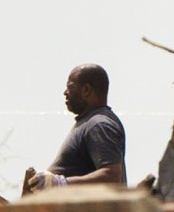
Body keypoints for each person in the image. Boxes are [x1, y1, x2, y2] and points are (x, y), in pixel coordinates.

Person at [22, 64, 126, 195]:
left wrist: (59, 184)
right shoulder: (90, 122)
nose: (65, 92)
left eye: (70, 87)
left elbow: (112, 177)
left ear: (86, 90)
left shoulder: (99, 124)